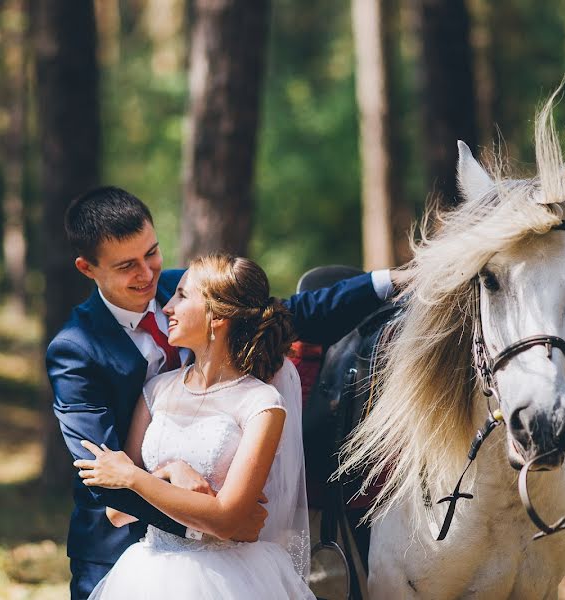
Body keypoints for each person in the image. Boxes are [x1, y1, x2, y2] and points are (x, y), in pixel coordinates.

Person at [46, 186, 395, 599]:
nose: (148, 275)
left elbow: (288, 311)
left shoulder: (186, 290)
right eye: (127, 266)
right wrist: (212, 522)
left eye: (152, 253)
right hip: (121, 553)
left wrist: (387, 281)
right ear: (88, 268)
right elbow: (105, 478)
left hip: (230, 566)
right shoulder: (76, 348)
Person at [74, 254, 314, 598]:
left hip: (231, 580)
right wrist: (171, 472)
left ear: (218, 315)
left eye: (182, 296)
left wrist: (134, 477)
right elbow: (116, 510)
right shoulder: (156, 389)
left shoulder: (262, 404)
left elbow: (228, 520)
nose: (167, 307)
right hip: (146, 575)